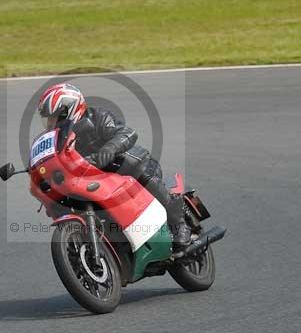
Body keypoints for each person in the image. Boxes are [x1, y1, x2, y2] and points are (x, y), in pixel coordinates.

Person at [37, 82, 191, 248]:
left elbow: (127, 133)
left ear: (70, 109)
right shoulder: (55, 141)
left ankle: (179, 223)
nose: (51, 122)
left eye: (54, 116)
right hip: (95, 182)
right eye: (48, 118)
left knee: (134, 164)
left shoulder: (97, 117)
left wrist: (109, 149)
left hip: (126, 167)